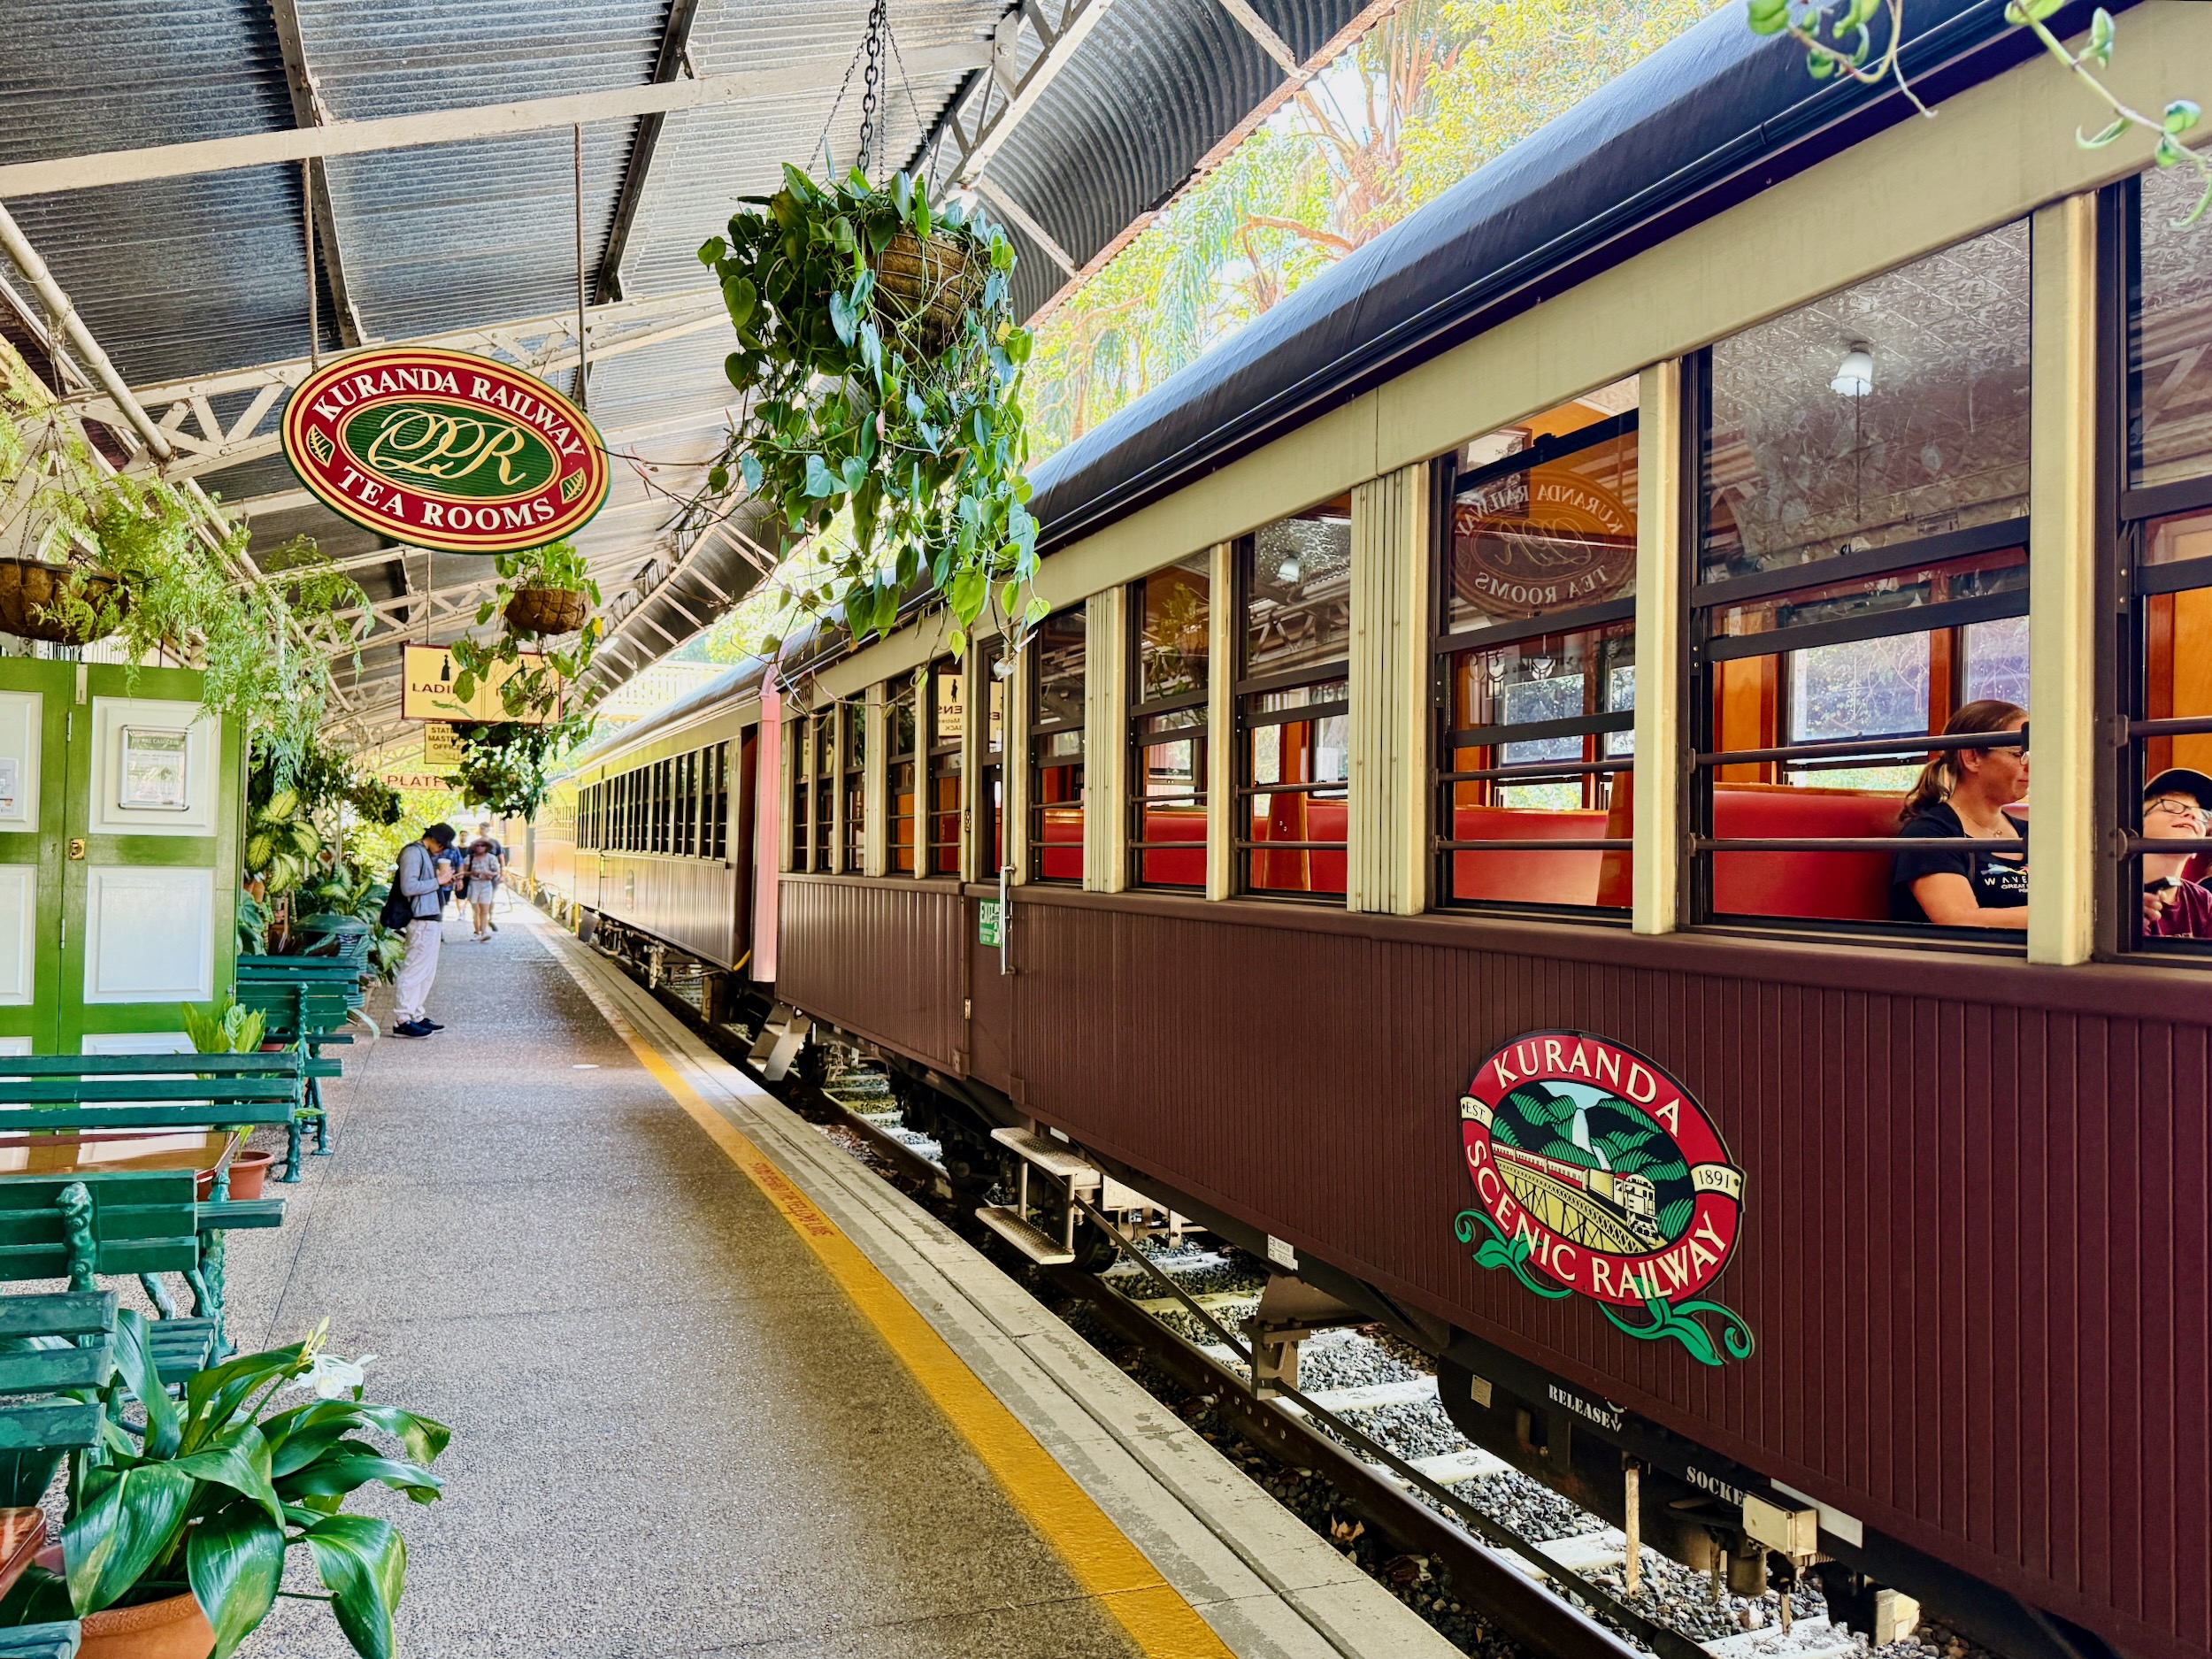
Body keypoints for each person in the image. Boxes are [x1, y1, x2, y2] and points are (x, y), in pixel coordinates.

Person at [1891, 701, 2029, 929]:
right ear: (1972, 757)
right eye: (2019, 754)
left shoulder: (2029, 833)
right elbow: (1959, 919)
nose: (2030, 766)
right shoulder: (1929, 834)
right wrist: (2062, 918)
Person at [391, 822, 457, 1037]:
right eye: (442, 845)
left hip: (430, 919)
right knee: (414, 970)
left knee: (426, 972)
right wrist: (438, 880)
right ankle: (402, 1019)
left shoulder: (424, 854)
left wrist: (441, 881)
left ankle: (415, 1014)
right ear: (435, 839)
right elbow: (408, 887)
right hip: (421, 920)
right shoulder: (413, 852)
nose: (442, 850)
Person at [2139, 767, 2212, 938]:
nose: (2191, 815)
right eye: (2171, 807)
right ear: (2137, 823)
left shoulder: (2203, 900)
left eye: (2200, 814)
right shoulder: (2114, 894)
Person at [464, 838, 503, 941]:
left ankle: (484, 931)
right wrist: (472, 873)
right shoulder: (470, 858)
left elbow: (496, 872)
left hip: (486, 884)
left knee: (485, 909)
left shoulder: (491, 858)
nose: (480, 848)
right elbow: (464, 872)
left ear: (486, 847)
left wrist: (488, 873)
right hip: (474, 884)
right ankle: (477, 931)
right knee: (476, 910)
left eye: (482, 845)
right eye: (478, 845)